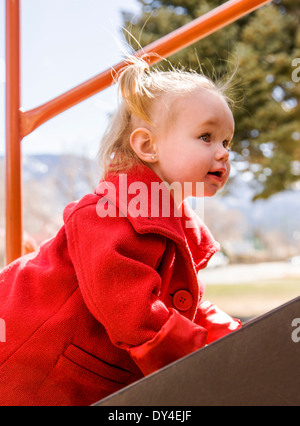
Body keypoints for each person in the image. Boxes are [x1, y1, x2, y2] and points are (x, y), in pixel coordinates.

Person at [0, 56, 241, 406]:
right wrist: (204, 354)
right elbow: (135, 312)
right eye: (207, 136)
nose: (223, 153)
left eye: (227, 142)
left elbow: (184, 304)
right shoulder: (105, 214)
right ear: (147, 146)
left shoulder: (172, 221)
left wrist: (234, 337)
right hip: (29, 373)